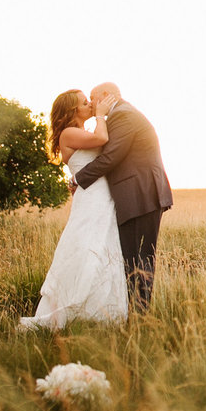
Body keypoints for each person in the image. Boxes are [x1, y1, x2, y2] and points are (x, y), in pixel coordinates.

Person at [20, 88, 128, 330]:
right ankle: (73, 307)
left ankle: (101, 312)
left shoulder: (81, 132)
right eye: (84, 102)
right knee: (86, 247)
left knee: (103, 247)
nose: (90, 103)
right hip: (91, 200)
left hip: (102, 197)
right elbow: (102, 140)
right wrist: (101, 114)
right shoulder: (69, 134)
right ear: (72, 111)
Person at [71, 82, 173, 313]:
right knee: (136, 257)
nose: (92, 104)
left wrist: (77, 179)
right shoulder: (123, 114)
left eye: (93, 98)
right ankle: (135, 313)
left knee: (138, 259)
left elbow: (111, 158)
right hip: (141, 195)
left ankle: (140, 315)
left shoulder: (122, 116)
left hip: (140, 196)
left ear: (106, 96)